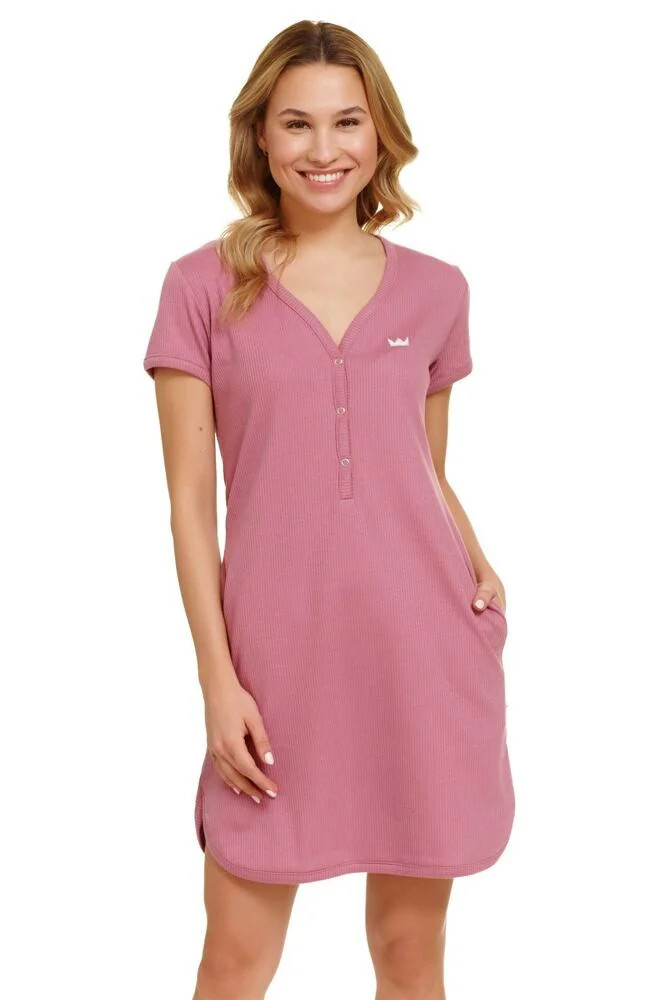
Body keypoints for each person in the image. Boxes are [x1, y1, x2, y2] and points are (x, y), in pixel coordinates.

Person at [143, 19, 515, 1000]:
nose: (323, 148)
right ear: (259, 136)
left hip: (420, 655)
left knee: (408, 955)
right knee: (233, 963)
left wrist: (479, 564)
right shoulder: (200, 288)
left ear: (379, 133)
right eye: (296, 123)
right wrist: (217, 681)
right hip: (276, 669)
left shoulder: (436, 291)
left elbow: (422, 470)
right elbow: (189, 507)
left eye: (347, 121)